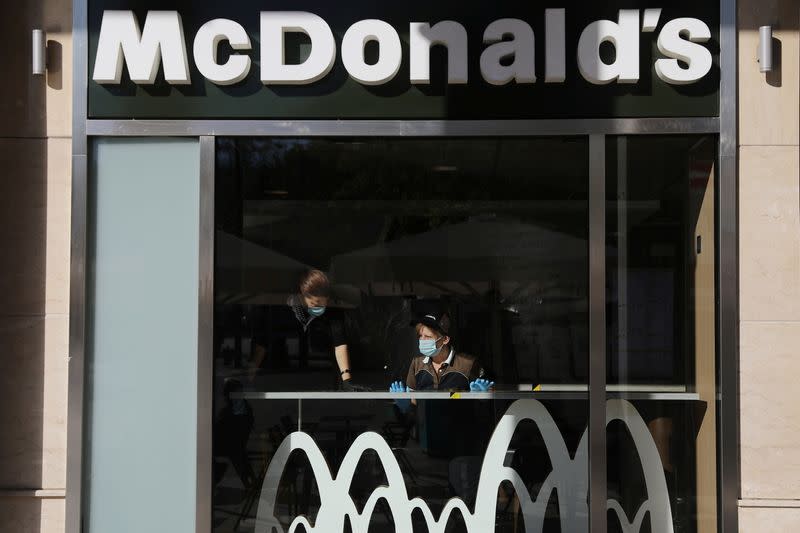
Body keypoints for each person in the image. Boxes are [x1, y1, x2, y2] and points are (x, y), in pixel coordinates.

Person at [251, 269, 368, 391]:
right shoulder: (282, 308)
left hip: (324, 381)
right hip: (279, 380)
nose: (319, 308)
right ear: (303, 296)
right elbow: (261, 343)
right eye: (314, 303)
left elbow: (340, 344)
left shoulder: (333, 310)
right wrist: (249, 377)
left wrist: (347, 381)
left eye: (323, 303)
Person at [389, 309, 493, 399]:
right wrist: (403, 402)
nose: (422, 340)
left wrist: (482, 397)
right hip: (426, 422)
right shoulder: (417, 364)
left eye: (428, 337)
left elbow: (487, 400)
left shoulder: (467, 364)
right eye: (420, 336)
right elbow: (413, 402)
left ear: (445, 339)